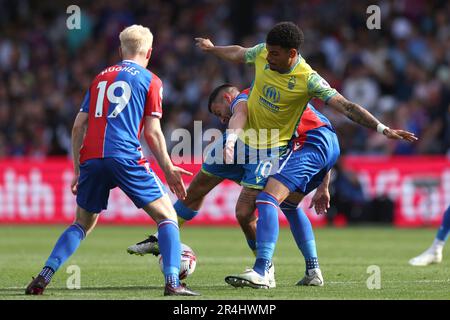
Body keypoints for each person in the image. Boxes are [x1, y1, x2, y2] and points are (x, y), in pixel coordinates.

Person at [195, 21, 417, 289]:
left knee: (267, 199)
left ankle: (263, 271)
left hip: (313, 142)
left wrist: (383, 129)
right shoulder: (264, 53)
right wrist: (212, 48)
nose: (269, 57)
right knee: (288, 204)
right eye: (268, 51)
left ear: (292, 54)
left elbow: (345, 107)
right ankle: (313, 270)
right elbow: (239, 52)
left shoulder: (307, 79)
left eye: (275, 53)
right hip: (318, 144)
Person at [25, 25, 199, 296]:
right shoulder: (151, 80)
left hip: (92, 159)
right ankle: (173, 283)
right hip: (125, 156)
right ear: (149, 52)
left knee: (81, 224)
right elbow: (152, 132)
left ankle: (44, 276)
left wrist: (76, 170)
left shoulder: (99, 78)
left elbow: (77, 126)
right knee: (167, 218)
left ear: (121, 50)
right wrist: (168, 168)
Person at [127, 85, 332, 287]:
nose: (221, 119)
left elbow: (320, 136)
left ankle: (265, 268)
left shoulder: (256, 94)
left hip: (262, 149)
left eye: (219, 113)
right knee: (199, 186)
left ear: (227, 98)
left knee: (246, 212)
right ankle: (160, 236)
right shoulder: (260, 96)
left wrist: (324, 183)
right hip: (236, 142)